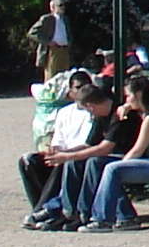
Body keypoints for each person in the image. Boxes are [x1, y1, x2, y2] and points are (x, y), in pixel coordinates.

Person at [83, 77, 149, 229]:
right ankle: (126, 216)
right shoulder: (142, 112)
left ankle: (102, 220)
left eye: (129, 95)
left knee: (112, 169)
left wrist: (119, 165)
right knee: (96, 162)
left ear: (139, 94)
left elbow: (137, 150)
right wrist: (127, 106)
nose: (126, 99)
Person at [25, 79, 119, 229]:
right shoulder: (101, 117)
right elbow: (88, 144)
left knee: (81, 162)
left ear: (91, 106)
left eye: (88, 111)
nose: (90, 115)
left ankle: (70, 211)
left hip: (120, 156)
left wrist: (68, 156)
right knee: (64, 162)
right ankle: (65, 211)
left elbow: (104, 148)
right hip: (102, 156)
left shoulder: (118, 115)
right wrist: (62, 152)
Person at [19, 71, 98, 212]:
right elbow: (58, 141)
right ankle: (42, 206)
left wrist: (63, 154)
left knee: (64, 162)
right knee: (28, 161)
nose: (82, 91)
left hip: (78, 157)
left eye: (86, 87)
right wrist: (53, 150)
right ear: (70, 91)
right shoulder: (64, 112)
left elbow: (89, 144)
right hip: (63, 154)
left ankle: (42, 210)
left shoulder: (93, 112)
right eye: (78, 88)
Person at [27, 0, 71, 83]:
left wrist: (69, 42)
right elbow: (32, 32)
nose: (63, 8)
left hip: (64, 50)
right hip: (53, 51)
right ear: (53, 7)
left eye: (63, 5)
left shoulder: (65, 19)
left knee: (65, 75)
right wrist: (48, 42)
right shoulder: (47, 19)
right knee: (52, 76)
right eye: (60, 5)